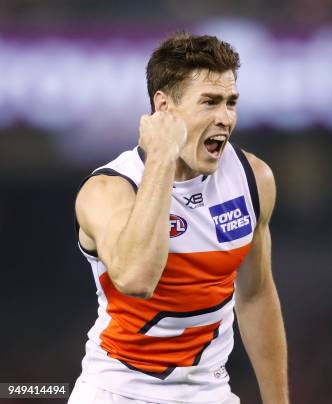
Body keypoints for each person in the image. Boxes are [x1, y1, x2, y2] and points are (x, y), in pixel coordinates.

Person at [68, 33, 289, 404]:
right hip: (114, 393)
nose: (225, 118)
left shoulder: (253, 179)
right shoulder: (108, 190)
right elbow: (136, 278)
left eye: (231, 103)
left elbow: (254, 295)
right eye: (210, 102)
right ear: (164, 108)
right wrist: (161, 158)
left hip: (210, 393)